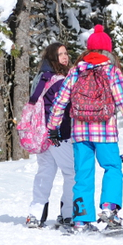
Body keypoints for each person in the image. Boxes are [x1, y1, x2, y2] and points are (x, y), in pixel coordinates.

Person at [46, 24, 123, 235]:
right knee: (112, 168)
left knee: (83, 174)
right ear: (108, 50)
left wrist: (52, 127)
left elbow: (60, 101)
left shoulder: (76, 70)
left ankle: (81, 220)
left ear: (89, 50)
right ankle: (109, 211)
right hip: (105, 132)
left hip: (80, 133)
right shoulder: (111, 71)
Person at [25, 43, 74, 230]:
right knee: (72, 173)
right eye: (60, 54)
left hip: (42, 133)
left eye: (66, 53)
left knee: (44, 174)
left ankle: (36, 214)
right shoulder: (61, 81)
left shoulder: (41, 77)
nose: (65, 57)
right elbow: (63, 109)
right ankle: (67, 214)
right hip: (58, 134)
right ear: (53, 58)